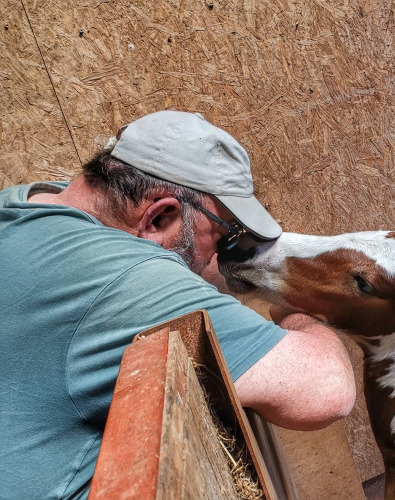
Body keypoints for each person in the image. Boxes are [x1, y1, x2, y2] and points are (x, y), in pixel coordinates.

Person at [0, 110, 355, 499]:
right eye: (220, 236)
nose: (216, 256)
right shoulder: (123, 280)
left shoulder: (30, 203)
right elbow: (327, 391)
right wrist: (295, 312)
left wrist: (202, 257)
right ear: (159, 217)